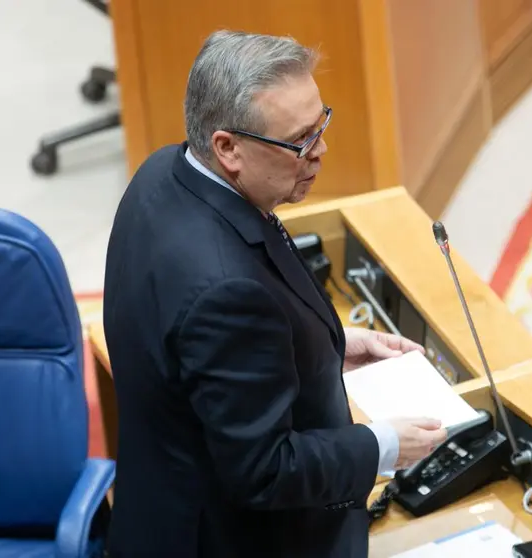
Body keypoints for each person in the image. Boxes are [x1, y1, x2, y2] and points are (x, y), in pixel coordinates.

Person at [102, 30, 448, 558]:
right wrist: (385, 445)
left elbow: (194, 345)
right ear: (228, 148)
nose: (321, 151)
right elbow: (265, 470)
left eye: (321, 125)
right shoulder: (226, 292)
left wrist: (326, 345)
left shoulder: (162, 176)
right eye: (301, 140)